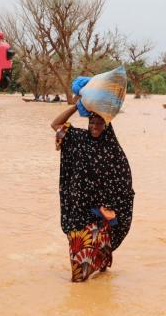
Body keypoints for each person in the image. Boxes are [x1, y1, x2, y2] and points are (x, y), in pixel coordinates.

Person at [51, 100, 134, 282]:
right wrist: (76, 105)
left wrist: (112, 206)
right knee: (78, 270)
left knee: (99, 265)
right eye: (91, 122)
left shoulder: (112, 149)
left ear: (106, 125)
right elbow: (55, 124)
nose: (94, 126)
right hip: (78, 212)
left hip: (99, 216)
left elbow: (123, 180)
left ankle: (96, 301)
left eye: (99, 123)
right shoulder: (78, 138)